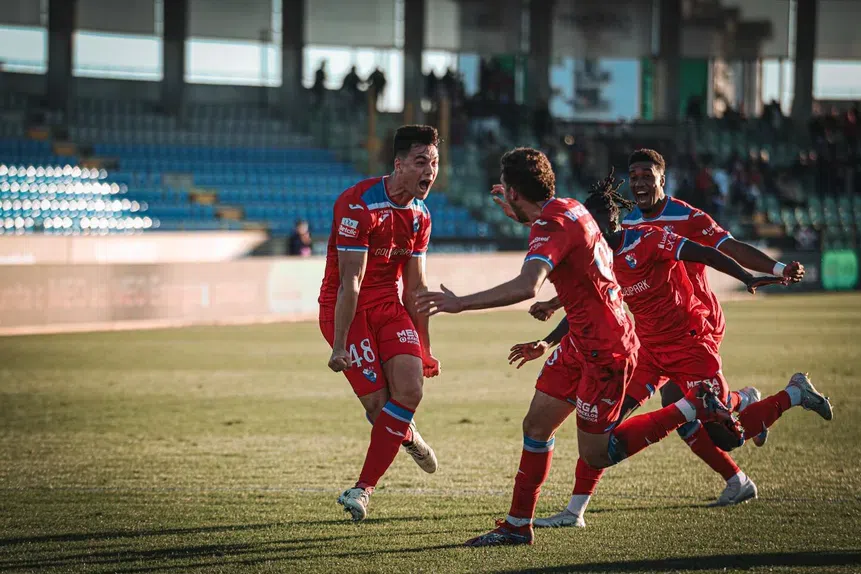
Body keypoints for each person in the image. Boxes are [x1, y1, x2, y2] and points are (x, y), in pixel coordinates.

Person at [416, 148, 738, 547]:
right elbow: (562, 245)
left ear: (515, 191)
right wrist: (518, 214)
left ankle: (693, 406)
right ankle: (517, 526)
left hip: (607, 351)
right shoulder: (569, 208)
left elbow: (525, 286)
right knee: (535, 426)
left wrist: (461, 303)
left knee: (598, 454)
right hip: (578, 344)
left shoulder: (549, 228)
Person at [511, 171, 832, 527]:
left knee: (727, 437)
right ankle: (575, 512)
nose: (595, 232)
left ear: (615, 220)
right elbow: (590, 306)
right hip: (647, 353)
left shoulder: (650, 239)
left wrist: (747, 276)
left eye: (601, 224)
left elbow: (706, 252)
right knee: (606, 425)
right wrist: (549, 337)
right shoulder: (599, 254)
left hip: (690, 345)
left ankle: (792, 393)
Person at [317, 125, 442, 521]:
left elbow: (417, 287)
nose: (430, 171)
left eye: (435, 163)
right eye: (421, 162)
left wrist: (424, 347)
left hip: (389, 307)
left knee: (410, 390)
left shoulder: (421, 216)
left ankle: (361, 490)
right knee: (379, 409)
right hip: (346, 311)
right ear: (399, 164)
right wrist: (339, 345)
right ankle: (405, 432)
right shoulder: (358, 204)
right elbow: (350, 281)